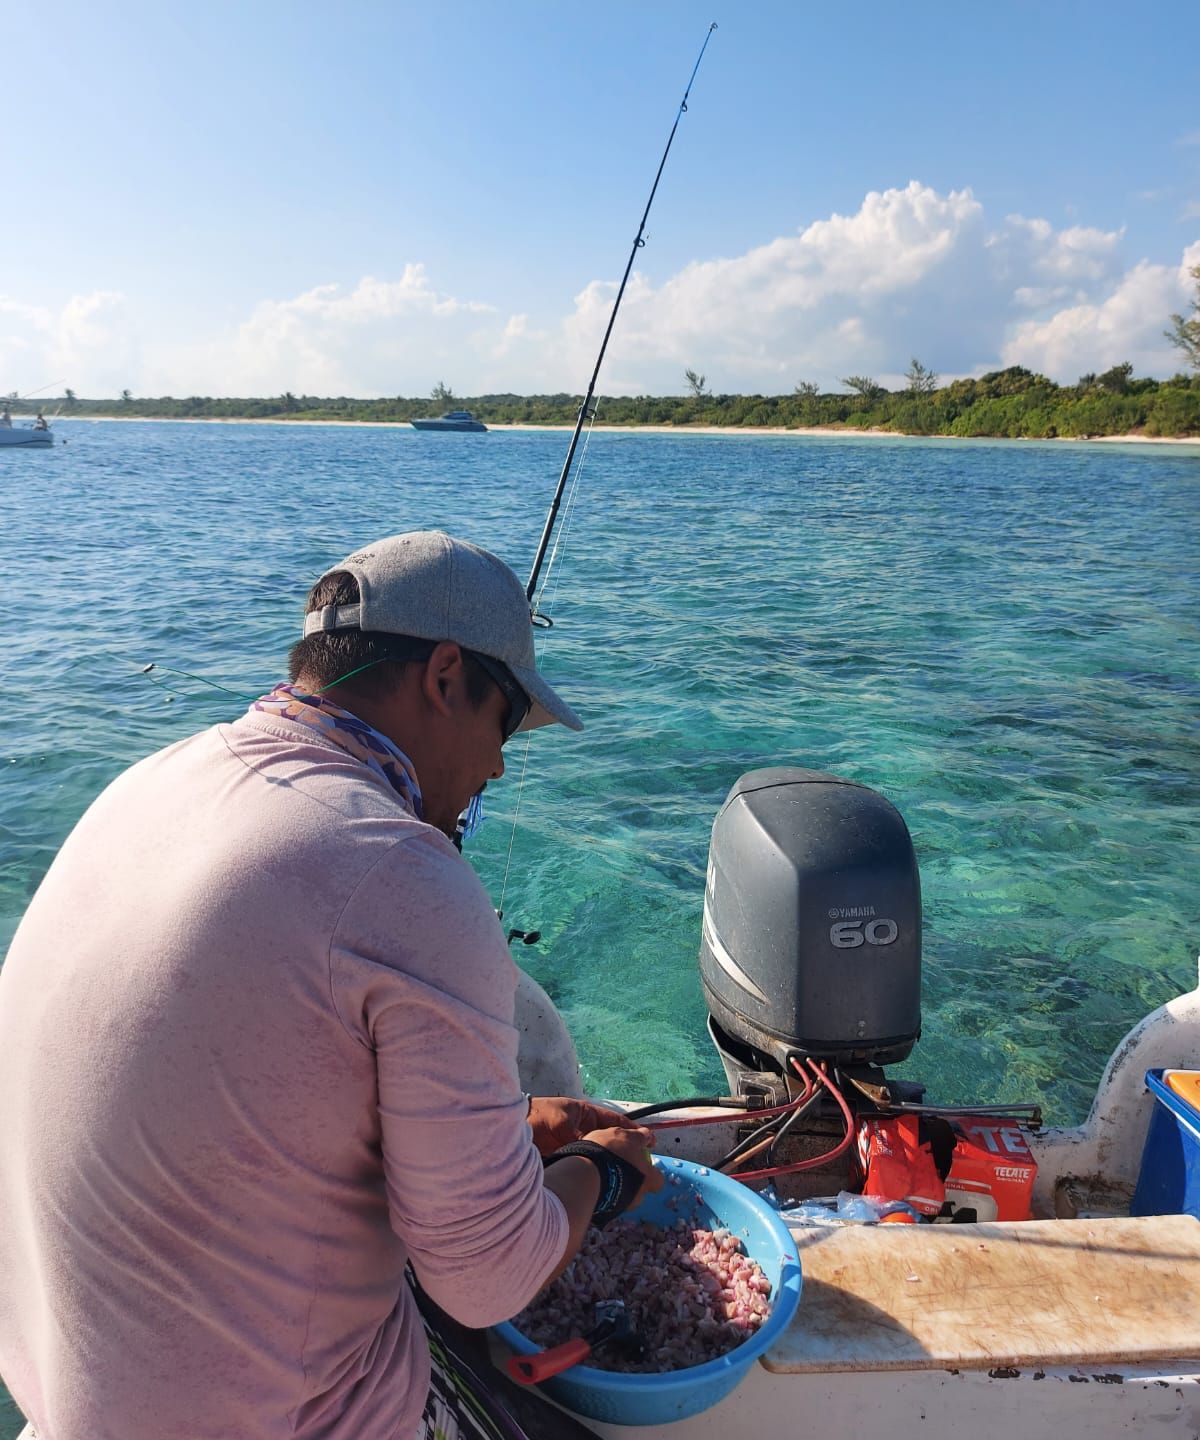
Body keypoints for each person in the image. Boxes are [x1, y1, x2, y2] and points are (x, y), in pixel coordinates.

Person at [0, 530, 662, 1440]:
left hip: (71, 1401)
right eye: (504, 722)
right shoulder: (403, 872)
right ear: (442, 677)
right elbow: (487, 1280)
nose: (500, 765)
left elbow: (246, 1098)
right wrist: (604, 1176)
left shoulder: (150, 782)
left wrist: (507, 1134)